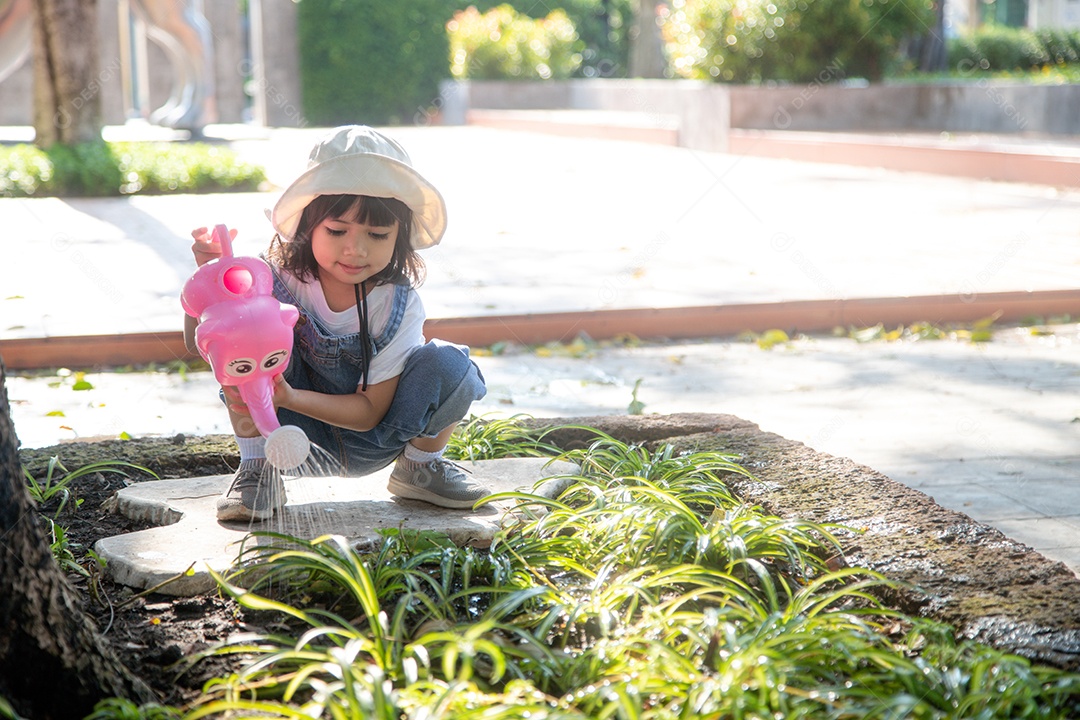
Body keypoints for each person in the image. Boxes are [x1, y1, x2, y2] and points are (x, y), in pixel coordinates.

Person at [184, 125, 489, 522]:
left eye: (377, 234)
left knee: (451, 364)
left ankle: (419, 467)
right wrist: (212, 284)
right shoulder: (269, 281)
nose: (355, 249)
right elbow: (201, 346)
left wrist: (290, 396)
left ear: (400, 237)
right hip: (282, 432)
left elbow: (367, 413)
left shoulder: (397, 304)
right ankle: (258, 470)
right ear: (309, 224)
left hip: (372, 440)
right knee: (241, 339)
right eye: (336, 230)